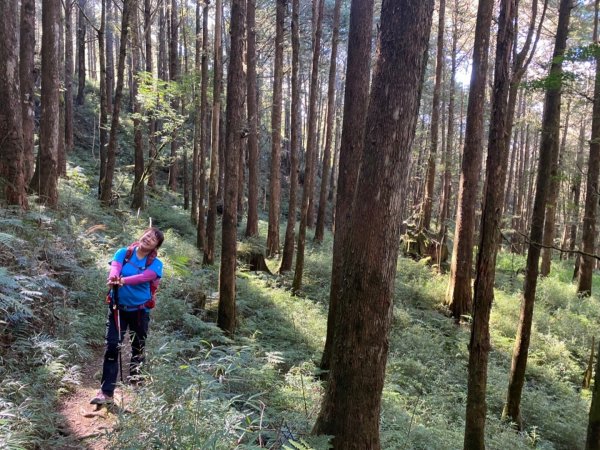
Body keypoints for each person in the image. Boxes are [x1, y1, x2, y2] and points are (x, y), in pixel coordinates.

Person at [91, 227, 164, 405]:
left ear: (156, 246)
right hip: (117, 309)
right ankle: (106, 392)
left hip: (140, 312)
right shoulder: (123, 253)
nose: (147, 239)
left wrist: (123, 281)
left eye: (152, 239)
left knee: (138, 347)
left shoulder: (156, 263)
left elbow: (144, 277)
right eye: (147, 235)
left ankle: (136, 382)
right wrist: (114, 277)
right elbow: (115, 267)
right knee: (112, 346)